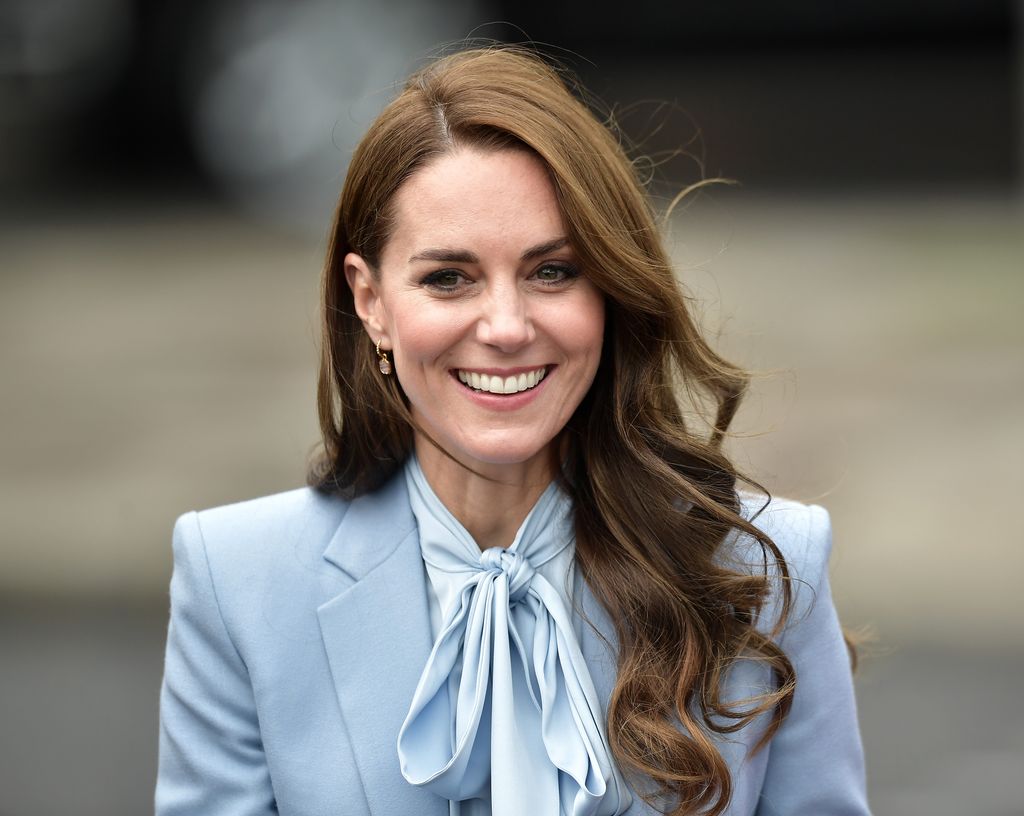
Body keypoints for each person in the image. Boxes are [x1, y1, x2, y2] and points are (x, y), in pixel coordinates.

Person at [156, 46, 870, 816]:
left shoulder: (768, 573)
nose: (505, 327)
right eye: (448, 278)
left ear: (610, 289)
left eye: (552, 271)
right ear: (370, 302)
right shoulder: (235, 582)